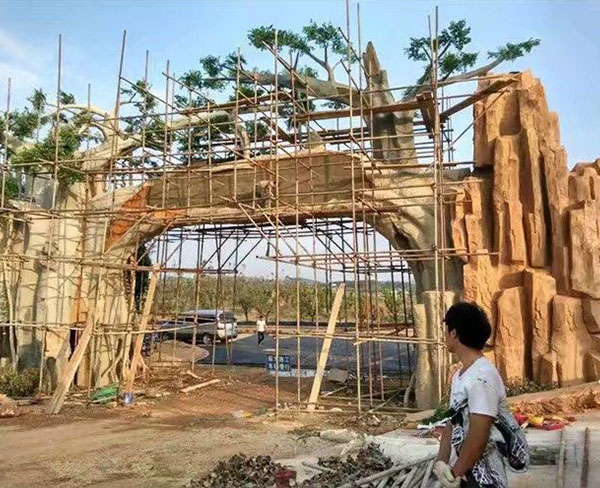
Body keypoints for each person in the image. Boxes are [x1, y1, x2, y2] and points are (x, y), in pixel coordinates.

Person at [434, 302, 517, 488]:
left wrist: (454, 473)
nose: (445, 335)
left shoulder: (482, 378)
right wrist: (441, 462)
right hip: (463, 474)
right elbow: (451, 423)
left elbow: (478, 437)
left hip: (483, 479)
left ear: (454, 333)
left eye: (446, 330)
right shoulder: (461, 376)